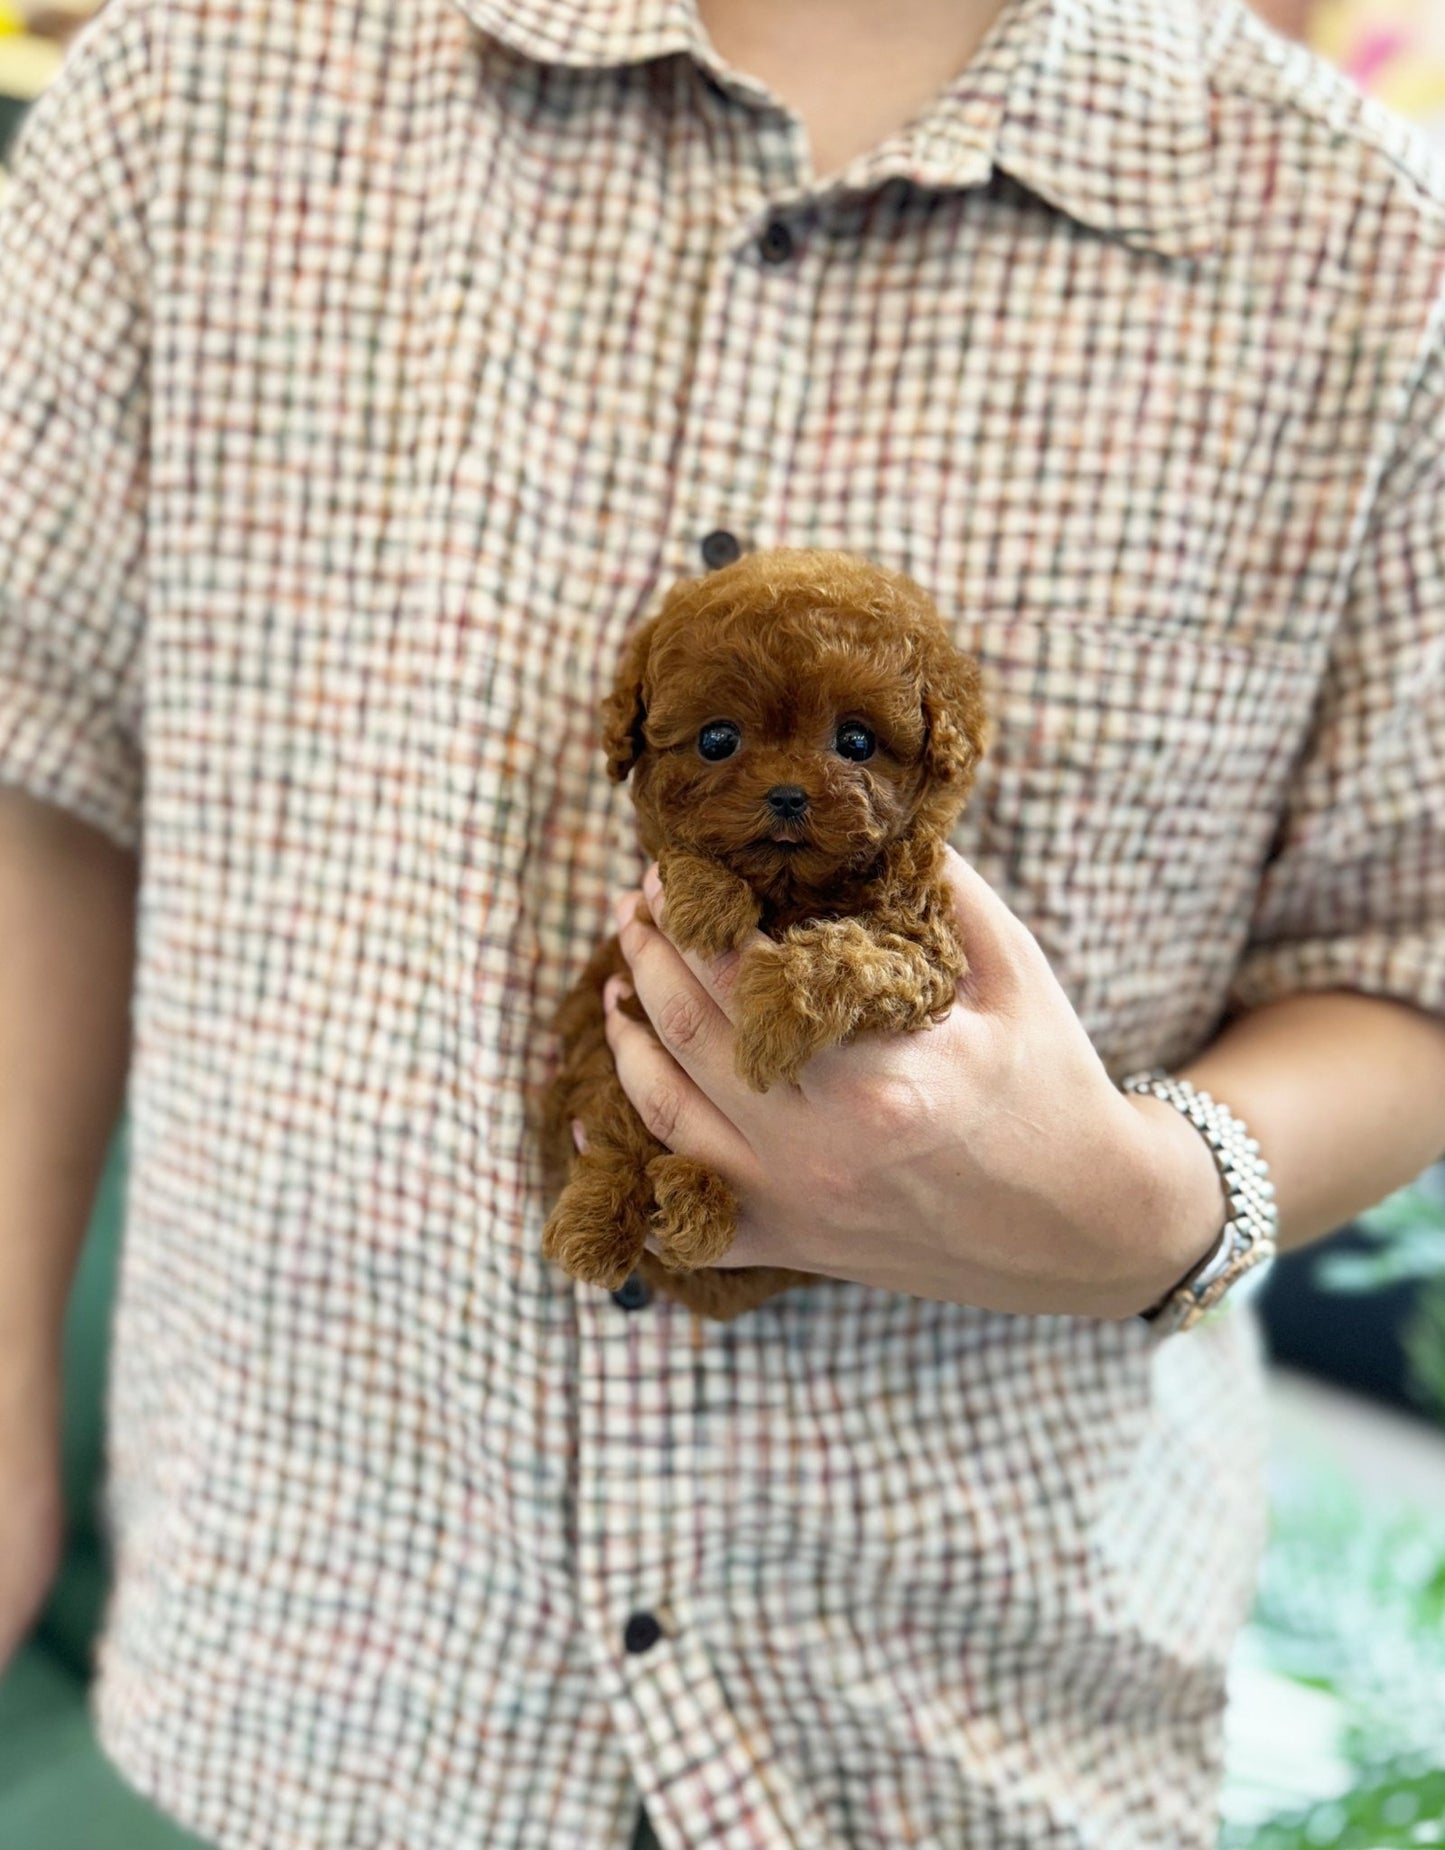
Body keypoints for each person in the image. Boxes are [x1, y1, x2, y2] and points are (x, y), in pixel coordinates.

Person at [2, 0, 1444, 1845]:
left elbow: (1400, 952)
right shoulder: (196, 82)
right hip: (312, 1642)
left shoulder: (1365, 250)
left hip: (965, 1702)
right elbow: (44, 763)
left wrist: (1143, 1206)